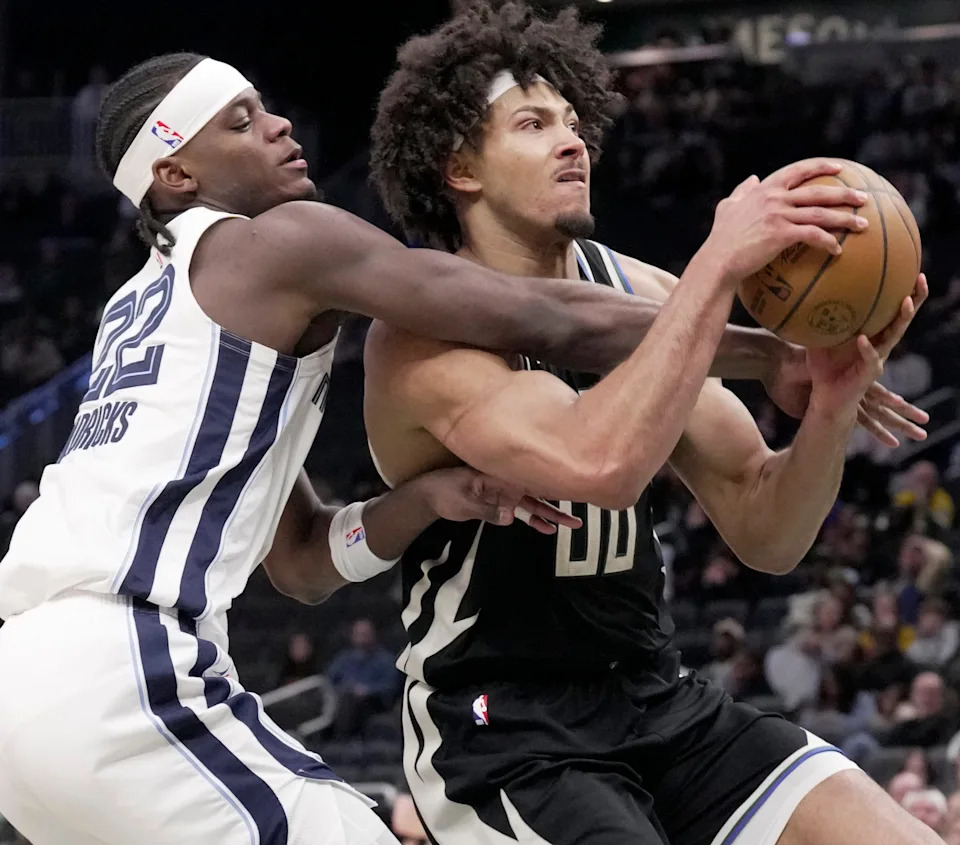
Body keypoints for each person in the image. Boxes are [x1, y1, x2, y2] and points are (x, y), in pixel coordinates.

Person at [0, 49, 709, 845]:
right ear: (176, 175)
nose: (279, 126)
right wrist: (749, 325)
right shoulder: (276, 243)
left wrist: (426, 501)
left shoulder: (146, 310)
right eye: (241, 121)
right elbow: (541, 317)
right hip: (125, 667)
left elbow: (300, 561)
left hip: (24, 691)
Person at [363, 3, 937, 843]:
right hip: (504, 724)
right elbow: (598, 463)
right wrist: (716, 264)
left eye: (572, 121)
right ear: (460, 167)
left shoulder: (635, 292)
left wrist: (831, 406)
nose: (572, 142)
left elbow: (767, 527)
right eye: (533, 123)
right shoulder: (417, 335)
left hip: (653, 691)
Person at [326, 618, 401, 737]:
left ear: (373, 635)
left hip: (374, 703)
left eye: (366, 634)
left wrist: (367, 690)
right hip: (342, 700)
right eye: (359, 634)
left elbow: (391, 686)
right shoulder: (343, 659)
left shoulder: (385, 660)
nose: (362, 637)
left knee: (350, 701)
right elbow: (329, 680)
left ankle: (343, 739)